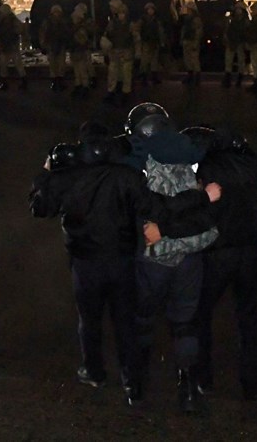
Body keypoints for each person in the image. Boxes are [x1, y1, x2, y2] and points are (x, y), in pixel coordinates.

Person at [29, 123, 221, 400]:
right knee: (125, 321)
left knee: (89, 319)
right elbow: (160, 207)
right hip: (120, 262)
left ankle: (94, 372)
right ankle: (133, 383)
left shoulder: (66, 177)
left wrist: (44, 173)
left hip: (85, 264)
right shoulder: (126, 177)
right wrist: (201, 197)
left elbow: (39, 207)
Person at [119, 103, 220, 413]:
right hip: (190, 258)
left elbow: (138, 209)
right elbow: (205, 213)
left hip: (151, 260)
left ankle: (137, 386)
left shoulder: (137, 164)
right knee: (185, 324)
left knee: (143, 321)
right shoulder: (192, 160)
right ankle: (188, 389)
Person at [185, 126, 257, 402]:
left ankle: (203, 377)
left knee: (200, 315)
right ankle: (252, 383)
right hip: (248, 250)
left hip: (216, 251)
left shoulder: (205, 166)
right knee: (248, 316)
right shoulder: (248, 163)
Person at [104, 2, 136, 105]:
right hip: (115, 51)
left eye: (123, 13)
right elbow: (107, 36)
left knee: (126, 74)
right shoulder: (112, 24)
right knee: (113, 73)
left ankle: (125, 93)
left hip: (126, 51)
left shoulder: (130, 25)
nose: (121, 15)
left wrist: (137, 52)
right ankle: (111, 92)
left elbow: (136, 38)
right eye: (120, 13)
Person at [0, 3, 27, 91]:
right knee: (5, 66)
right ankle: (7, 82)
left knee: (16, 64)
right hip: (7, 45)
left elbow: (19, 29)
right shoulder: (3, 21)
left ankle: (20, 82)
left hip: (11, 45)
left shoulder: (11, 20)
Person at [40, 5, 71, 91]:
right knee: (55, 65)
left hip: (58, 45)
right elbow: (43, 34)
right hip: (54, 45)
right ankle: (56, 81)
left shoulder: (52, 22)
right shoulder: (57, 22)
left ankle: (57, 81)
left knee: (59, 65)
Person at [135, 2, 166, 86]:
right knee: (145, 61)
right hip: (145, 42)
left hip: (154, 42)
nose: (150, 11)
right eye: (149, 9)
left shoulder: (156, 20)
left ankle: (153, 77)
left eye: (151, 9)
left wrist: (162, 42)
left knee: (154, 61)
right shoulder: (143, 20)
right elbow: (137, 29)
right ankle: (144, 78)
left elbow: (160, 31)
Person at [223, 0, 250, 87]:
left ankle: (239, 79)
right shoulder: (231, 19)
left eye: (239, 9)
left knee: (240, 61)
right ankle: (228, 78)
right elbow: (226, 29)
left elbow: (247, 32)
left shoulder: (245, 21)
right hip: (232, 42)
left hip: (240, 43)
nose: (237, 11)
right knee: (228, 61)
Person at [179, 2, 203, 85]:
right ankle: (191, 76)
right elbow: (184, 30)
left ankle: (196, 77)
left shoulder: (195, 19)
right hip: (187, 40)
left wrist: (196, 42)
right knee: (188, 60)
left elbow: (198, 31)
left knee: (194, 60)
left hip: (192, 41)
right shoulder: (187, 19)